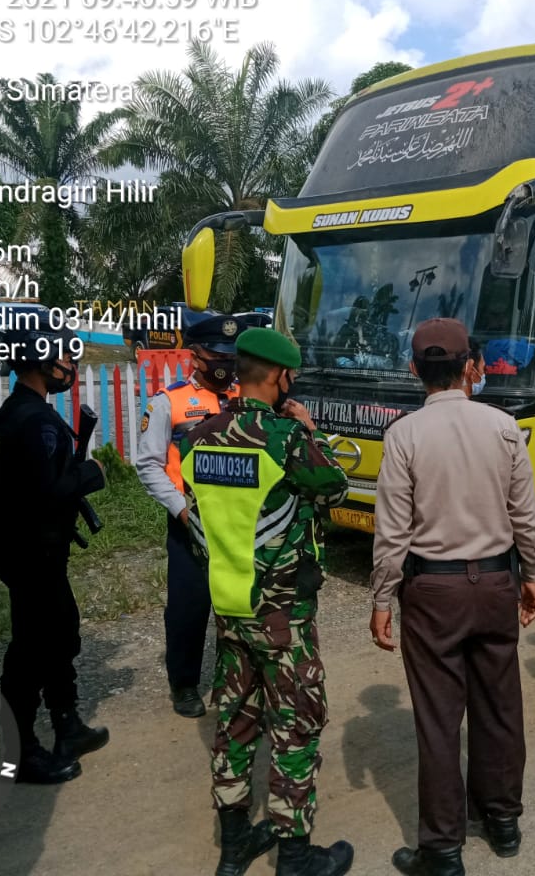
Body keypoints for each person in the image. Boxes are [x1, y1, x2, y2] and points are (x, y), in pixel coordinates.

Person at [369, 317, 535, 876]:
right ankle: (503, 819)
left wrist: (382, 598)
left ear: (415, 370)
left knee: (440, 717)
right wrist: (533, 572)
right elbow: (524, 514)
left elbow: (393, 530)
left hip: (433, 591)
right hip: (496, 583)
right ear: (472, 366)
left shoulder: (404, 435)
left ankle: (442, 850)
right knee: (500, 702)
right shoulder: (504, 427)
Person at [181, 327, 354, 876]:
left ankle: (234, 849)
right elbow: (334, 488)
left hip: (230, 607)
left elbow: (198, 520)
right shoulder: (285, 437)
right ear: (280, 377)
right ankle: (295, 858)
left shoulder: (201, 438)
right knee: (295, 724)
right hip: (282, 614)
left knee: (234, 722)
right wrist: (310, 429)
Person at [0, 317, 110, 785]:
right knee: (30, 651)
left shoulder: (15, 411)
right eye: (61, 353)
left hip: (28, 551)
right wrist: (92, 473)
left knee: (60, 632)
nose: (69, 362)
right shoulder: (35, 419)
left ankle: (68, 725)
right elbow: (49, 489)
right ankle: (20, 754)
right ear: (39, 359)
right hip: (33, 553)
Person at [136, 313, 241, 717]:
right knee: (189, 606)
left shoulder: (241, 399)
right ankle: (184, 684)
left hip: (235, 522)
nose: (225, 363)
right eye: (217, 354)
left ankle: (232, 682)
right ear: (195, 356)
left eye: (230, 356)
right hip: (189, 523)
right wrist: (181, 511)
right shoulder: (168, 401)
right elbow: (149, 464)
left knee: (234, 604)